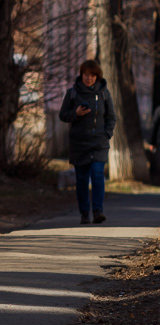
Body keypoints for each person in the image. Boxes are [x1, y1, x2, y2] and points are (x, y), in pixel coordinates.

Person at [58, 59, 116, 225]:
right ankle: (84, 213)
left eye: (92, 75)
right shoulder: (72, 93)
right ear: (81, 75)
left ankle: (98, 211)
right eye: (86, 75)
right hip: (79, 143)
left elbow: (111, 117)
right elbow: (63, 115)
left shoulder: (104, 93)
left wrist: (106, 134)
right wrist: (75, 113)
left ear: (97, 76)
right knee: (82, 180)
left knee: (97, 175)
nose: (89, 78)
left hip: (99, 144)